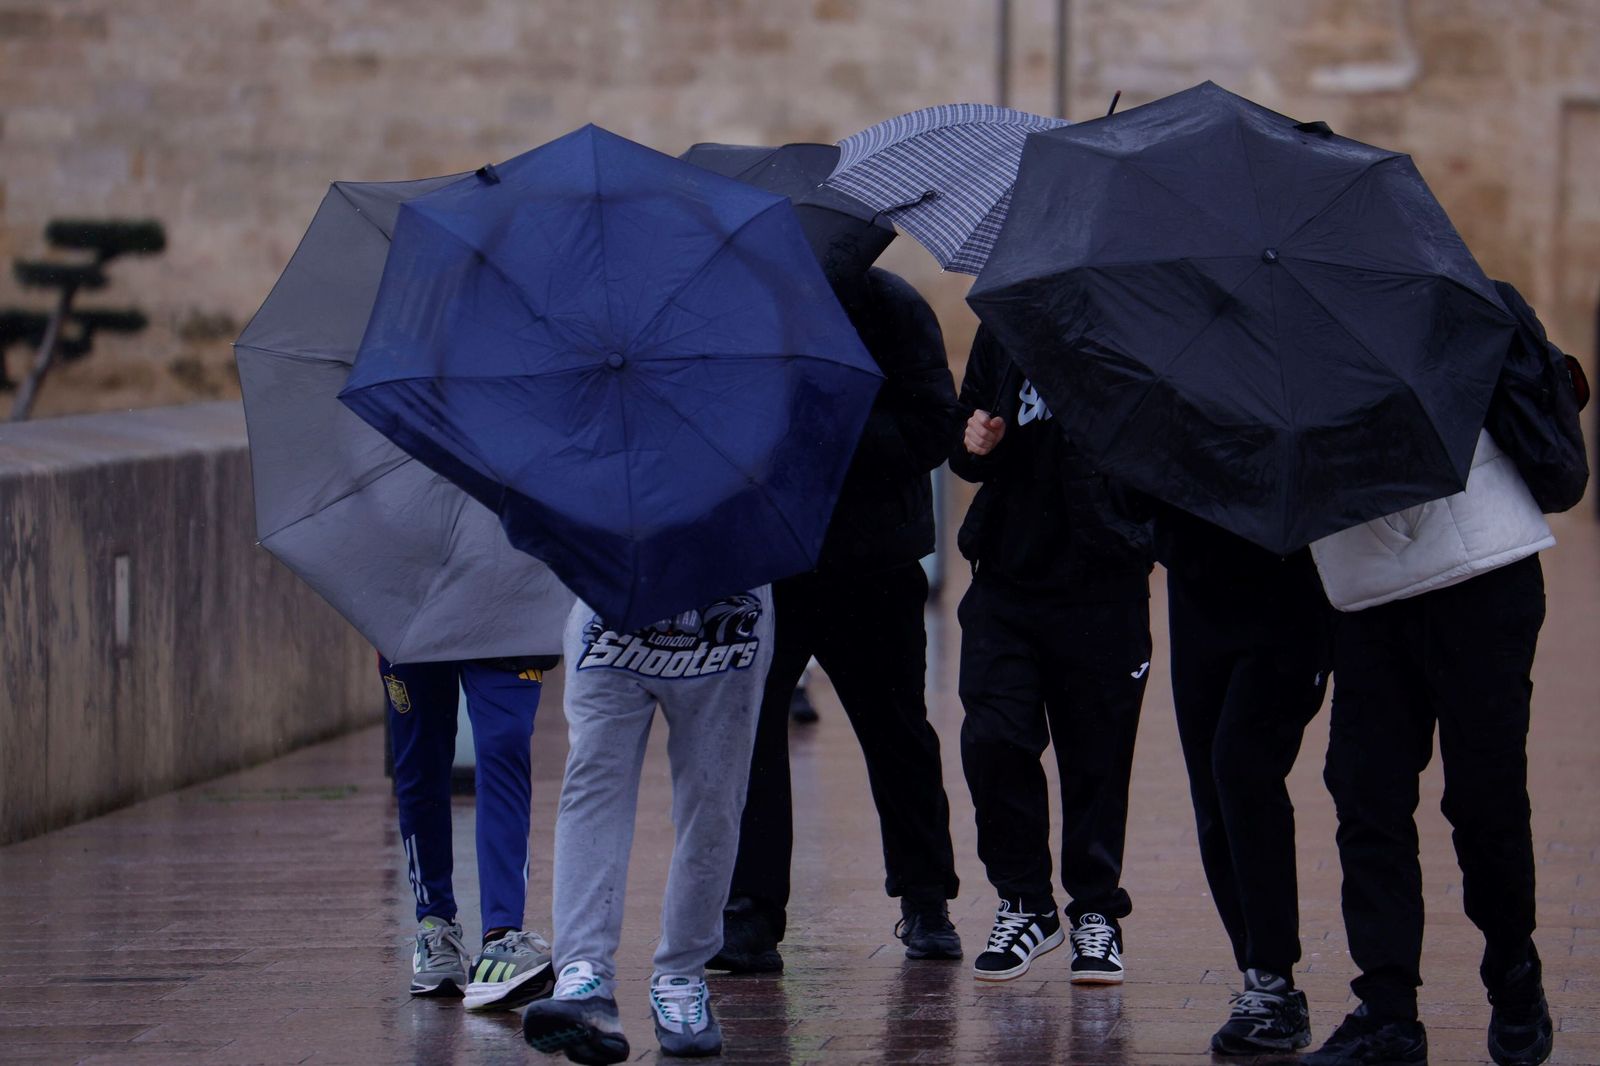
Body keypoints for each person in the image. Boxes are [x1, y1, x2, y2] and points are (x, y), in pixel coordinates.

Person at [711, 266, 964, 973]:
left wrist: (829, 420)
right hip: (771, 561)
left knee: (897, 732)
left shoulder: (892, 306)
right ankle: (751, 913)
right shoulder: (745, 310)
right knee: (753, 737)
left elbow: (932, 427)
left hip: (874, 562)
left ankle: (925, 900)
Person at [1304, 429, 1557, 1066]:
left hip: (1483, 566)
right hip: (1364, 584)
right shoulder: (1280, 337)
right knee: (1366, 796)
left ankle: (1513, 970)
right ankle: (1388, 1010)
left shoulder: (1457, 322)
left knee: (1484, 797)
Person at [949, 326, 1154, 984]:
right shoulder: (1009, 317)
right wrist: (974, 442)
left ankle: (1095, 910)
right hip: (1007, 574)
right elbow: (969, 427)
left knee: (1096, 758)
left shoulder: (1140, 319)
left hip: (1104, 580)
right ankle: (1025, 903)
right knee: (993, 738)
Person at [521, 591, 773, 1064]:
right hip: (608, 604)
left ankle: (683, 972)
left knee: (713, 798)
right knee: (592, 786)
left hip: (729, 617)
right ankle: (583, 975)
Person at [1154, 503, 1334, 1054]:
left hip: (1290, 592)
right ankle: (1261, 978)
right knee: (1213, 793)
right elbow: (1128, 490)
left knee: (1241, 769)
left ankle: (1272, 976)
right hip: (1196, 592)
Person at [382, 653, 558, 1011]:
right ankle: (434, 924)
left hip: (504, 605)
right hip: (416, 609)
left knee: (506, 744)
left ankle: (502, 937)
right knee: (420, 758)